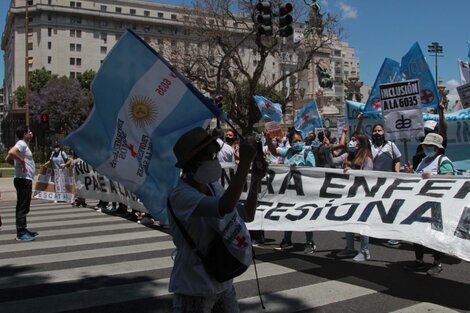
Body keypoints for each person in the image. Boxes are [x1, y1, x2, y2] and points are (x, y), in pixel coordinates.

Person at [168, 127, 266, 312]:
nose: (215, 162)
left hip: (222, 281)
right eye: (210, 157)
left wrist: (255, 181)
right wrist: (244, 162)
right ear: (192, 163)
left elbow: (247, 214)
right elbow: (225, 207)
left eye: (215, 156)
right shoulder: (180, 196)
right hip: (194, 287)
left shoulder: (213, 187)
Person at [404, 133, 455, 276]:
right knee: (416, 233)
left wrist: (433, 177)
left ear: (438, 148)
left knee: (434, 235)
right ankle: (418, 260)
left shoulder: (443, 160)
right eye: (426, 146)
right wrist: (411, 173)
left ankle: (437, 263)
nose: (427, 148)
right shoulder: (424, 160)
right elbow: (419, 177)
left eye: (430, 146)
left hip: (436, 204)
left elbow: (450, 177)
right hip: (420, 202)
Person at [265, 128, 316, 254]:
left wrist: (298, 168)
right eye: (295, 141)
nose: (298, 143)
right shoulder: (287, 152)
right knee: (287, 214)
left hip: (303, 191)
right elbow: (273, 151)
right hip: (289, 191)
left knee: (305, 216)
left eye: (300, 140)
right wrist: (268, 140)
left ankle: (310, 241)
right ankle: (287, 240)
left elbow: (313, 171)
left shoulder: (307, 153)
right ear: (290, 142)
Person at [336, 133, 373, 261]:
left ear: (361, 143)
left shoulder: (367, 159)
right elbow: (334, 159)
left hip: (361, 196)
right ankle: (350, 248)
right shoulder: (350, 157)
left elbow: (367, 178)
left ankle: (364, 250)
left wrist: (352, 172)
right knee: (348, 221)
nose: (351, 142)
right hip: (350, 194)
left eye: (354, 140)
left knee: (361, 223)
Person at [5, 125, 37, 241]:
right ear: (24, 134)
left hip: (22, 179)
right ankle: (21, 233)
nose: (31, 133)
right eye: (29, 132)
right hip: (23, 180)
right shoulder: (22, 144)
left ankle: (23, 229)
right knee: (23, 207)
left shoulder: (21, 145)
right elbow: (11, 152)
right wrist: (22, 162)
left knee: (23, 206)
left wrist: (17, 164)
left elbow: (7, 158)